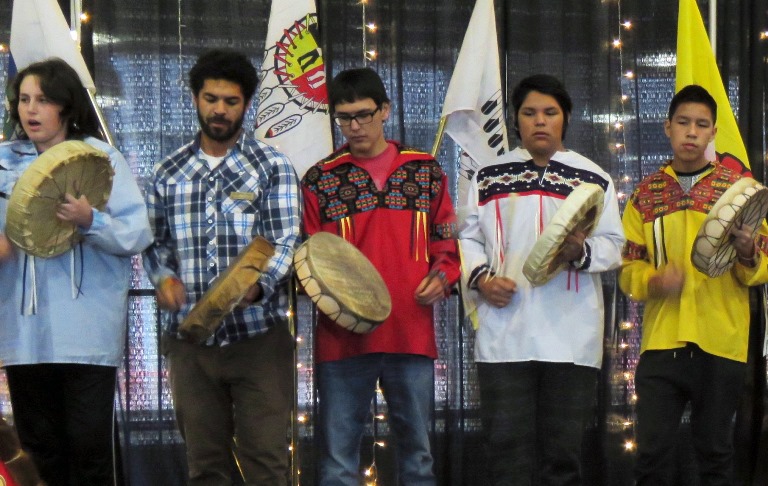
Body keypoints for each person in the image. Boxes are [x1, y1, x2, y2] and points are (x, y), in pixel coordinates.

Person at [143, 49, 301, 485]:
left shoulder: (272, 166)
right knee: (206, 467)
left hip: (258, 339)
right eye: (210, 98)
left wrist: (257, 285)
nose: (219, 109)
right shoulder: (167, 172)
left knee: (266, 464)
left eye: (230, 101)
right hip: (190, 343)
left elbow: (287, 240)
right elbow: (154, 243)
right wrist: (164, 278)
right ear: (195, 99)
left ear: (245, 105)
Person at [458, 74, 625, 485]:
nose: (540, 121)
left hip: (571, 336)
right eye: (529, 113)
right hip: (504, 334)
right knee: (506, 454)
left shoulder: (593, 177)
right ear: (516, 120)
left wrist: (580, 253)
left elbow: (615, 245)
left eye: (550, 113)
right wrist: (480, 278)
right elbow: (466, 237)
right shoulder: (489, 176)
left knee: (562, 458)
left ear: (565, 118)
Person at [301, 67, 461, 485]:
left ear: (385, 110)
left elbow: (447, 239)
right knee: (338, 460)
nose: (354, 126)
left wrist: (443, 275)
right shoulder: (321, 178)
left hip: (410, 330)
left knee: (417, 456)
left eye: (364, 115)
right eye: (344, 117)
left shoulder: (424, 170)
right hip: (342, 337)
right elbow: (307, 255)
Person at [0, 58, 153, 485]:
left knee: (88, 445)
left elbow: (136, 233)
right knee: (37, 446)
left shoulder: (101, 158)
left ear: (66, 107)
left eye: (44, 101)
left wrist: (92, 220)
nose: (31, 110)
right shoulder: (2, 161)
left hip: (86, 332)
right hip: (23, 332)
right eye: (25, 100)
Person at [620, 84, 768, 485]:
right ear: (667, 127)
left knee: (716, 457)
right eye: (683, 122)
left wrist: (747, 252)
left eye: (701, 125)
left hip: (721, 341)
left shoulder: (740, 192)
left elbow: (763, 262)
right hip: (661, 343)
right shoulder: (644, 194)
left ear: (713, 132)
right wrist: (653, 281)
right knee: (651, 456)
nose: (691, 132)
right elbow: (627, 268)